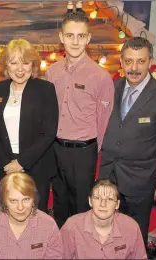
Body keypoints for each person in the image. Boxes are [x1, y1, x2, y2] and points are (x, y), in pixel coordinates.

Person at [98, 36, 156, 245]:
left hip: (140, 180)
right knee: (105, 233)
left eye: (140, 61)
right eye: (128, 61)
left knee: (133, 236)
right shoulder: (110, 87)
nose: (134, 68)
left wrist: (148, 166)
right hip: (108, 177)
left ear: (150, 61)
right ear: (121, 61)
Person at [45, 11, 115, 228]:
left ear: (88, 38)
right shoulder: (52, 72)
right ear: (61, 37)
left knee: (81, 206)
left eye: (80, 36)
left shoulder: (100, 76)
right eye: (70, 35)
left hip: (83, 151)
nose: (75, 41)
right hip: (55, 148)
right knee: (59, 202)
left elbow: (104, 120)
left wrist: (92, 149)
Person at [0, 38, 59, 212]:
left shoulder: (46, 89)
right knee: (5, 215)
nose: (20, 69)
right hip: (5, 166)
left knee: (34, 216)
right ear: (6, 65)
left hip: (36, 166)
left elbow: (49, 132)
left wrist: (21, 163)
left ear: (33, 65)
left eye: (25, 63)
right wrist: (7, 164)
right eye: (14, 63)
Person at [0, 172, 63, 259]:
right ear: (4, 201)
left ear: (33, 199)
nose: (20, 208)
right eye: (13, 201)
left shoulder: (49, 226)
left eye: (26, 199)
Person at [61, 179, 147, 259]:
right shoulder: (72, 226)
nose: (103, 204)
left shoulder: (131, 228)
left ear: (117, 204)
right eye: (98, 198)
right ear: (90, 201)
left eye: (109, 199)